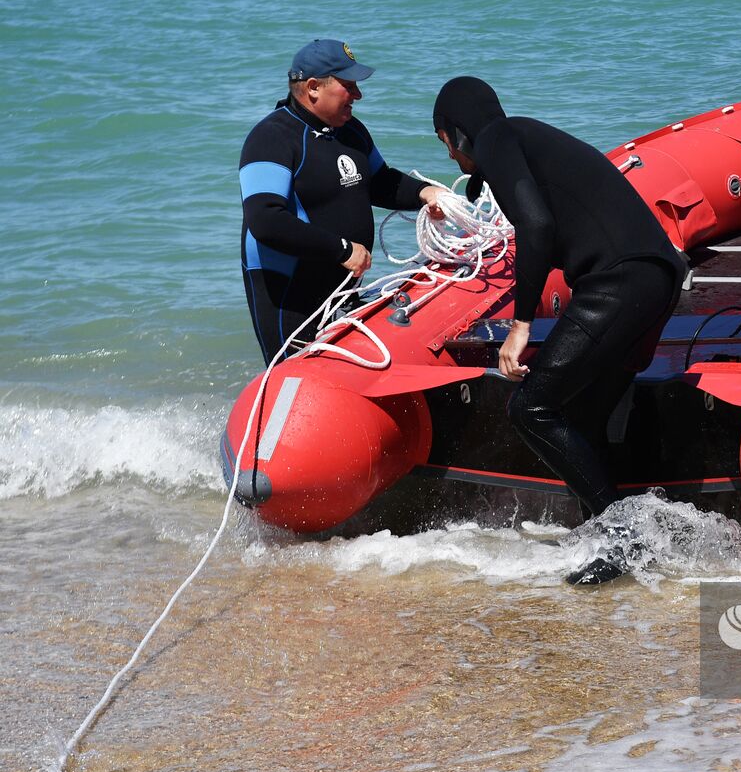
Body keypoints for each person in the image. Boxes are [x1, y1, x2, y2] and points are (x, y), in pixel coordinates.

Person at [431, 76, 685, 522]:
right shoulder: (524, 137)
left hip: (618, 284)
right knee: (584, 415)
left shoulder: (496, 139)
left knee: (531, 408)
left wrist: (520, 326)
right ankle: (608, 538)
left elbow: (537, 228)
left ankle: (623, 534)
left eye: (445, 142)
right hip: (655, 280)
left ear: (457, 131)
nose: (450, 155)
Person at [238, 39, 446, 363]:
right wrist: (343, 250)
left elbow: (380, 182)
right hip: (290, 290)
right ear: (312, 88)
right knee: (297, 377)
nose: (358, 95)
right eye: (348, 86)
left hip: (343, 284)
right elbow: (266, 220)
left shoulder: (351, 132)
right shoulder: (271, 138)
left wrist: (425, 192)